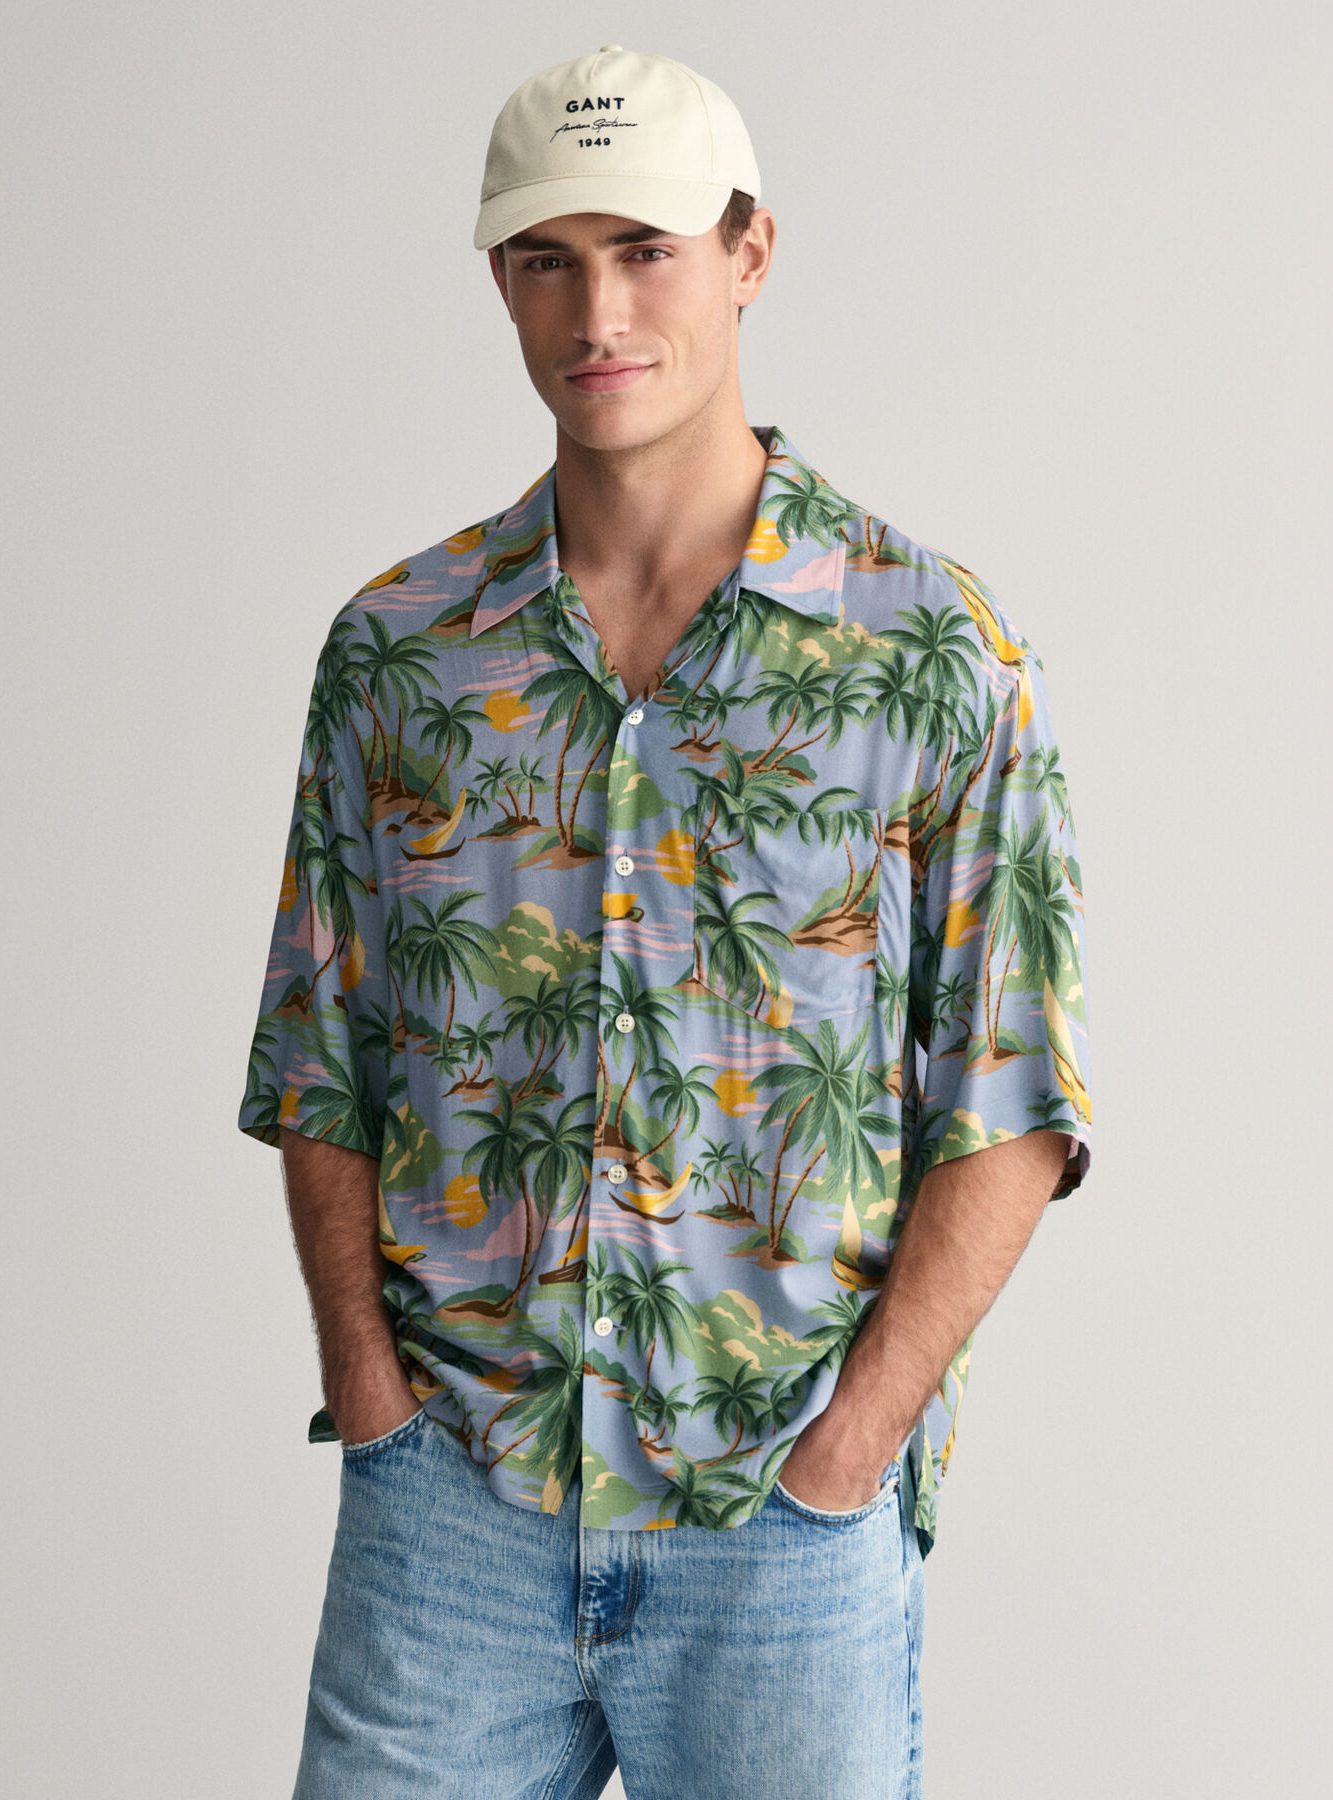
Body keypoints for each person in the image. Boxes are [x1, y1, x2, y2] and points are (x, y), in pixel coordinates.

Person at [238, 43, 1093, 1800]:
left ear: (749, 251)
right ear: (500, 281)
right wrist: (376, 1407)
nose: (599, 312)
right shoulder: (402, 652)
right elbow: (321, 1057)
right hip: (452, 1507)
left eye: (646, 250)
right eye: (549, 259)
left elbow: (1012, 1101)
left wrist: (851, 1455)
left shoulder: (929, 650)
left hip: (781, 1522)